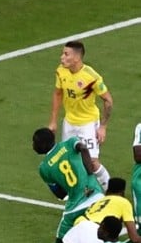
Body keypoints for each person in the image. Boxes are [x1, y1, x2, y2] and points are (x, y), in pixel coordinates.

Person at [27, 127, 104, 243]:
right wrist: (90, 170)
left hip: (74, 208)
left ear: (41, 144)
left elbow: (60, 193)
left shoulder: (44, 168)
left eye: (34, 142)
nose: (32, 145)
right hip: (96, 198)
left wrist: (70, 189)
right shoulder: (69, 143)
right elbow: (83, 148)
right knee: (100, 237)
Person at [47, 40, 112, 190]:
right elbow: (58, 93)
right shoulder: (61, 71)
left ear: (76, 58)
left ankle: (111, 191)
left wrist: (103, 126)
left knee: (92, 162)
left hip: (88, 123)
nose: (61, 57)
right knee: (70, 160)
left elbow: (108, 100)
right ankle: (80, 192)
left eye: (66, 54)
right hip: (69, 123)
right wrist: (53, 121)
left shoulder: (91, 77)